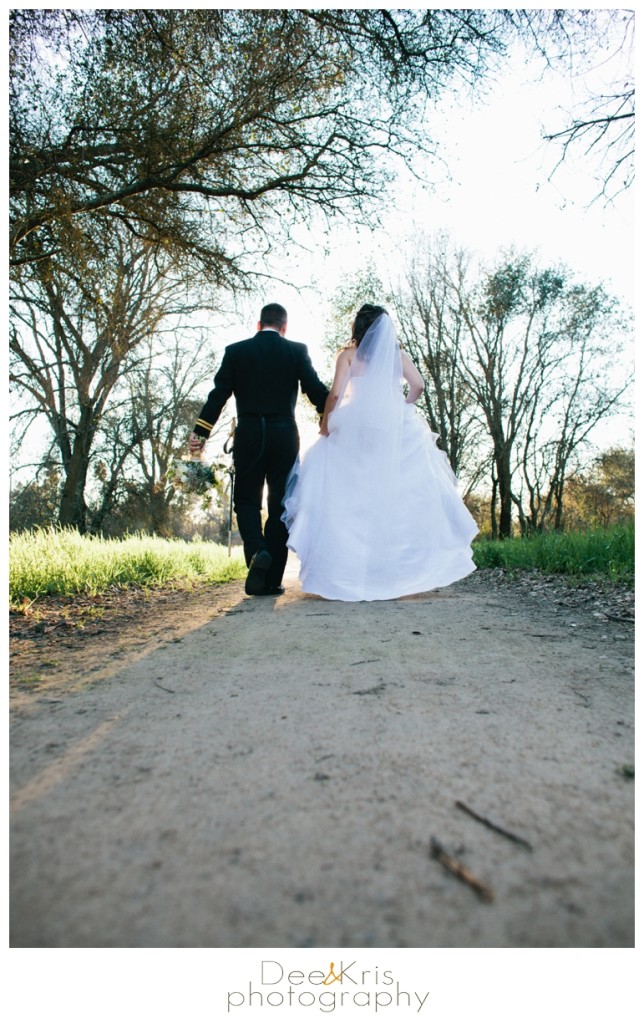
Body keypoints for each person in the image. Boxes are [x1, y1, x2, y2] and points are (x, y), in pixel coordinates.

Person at [282, 304, 479, 601]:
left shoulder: (348, 356)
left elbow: (335, 394)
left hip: (355, 426)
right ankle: (398, 574)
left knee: (350, 500)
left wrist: (325, 425)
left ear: (358, 328)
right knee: (397, 499)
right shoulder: (397, 355)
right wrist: (403, 407)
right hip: (392, 425)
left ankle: (344, 574)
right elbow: (418, 386)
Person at [189, 303, 329, 596]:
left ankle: (256, 554)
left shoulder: (236, 352)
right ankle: (273, 578)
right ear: (284, 327)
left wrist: (200, 433)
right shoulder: (296, 350)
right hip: (284, 435)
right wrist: (333, 413)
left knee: (247, 500)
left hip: (250, 434)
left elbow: (218, 396)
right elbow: (315, 390)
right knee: (280, 504)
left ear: (258, 325)